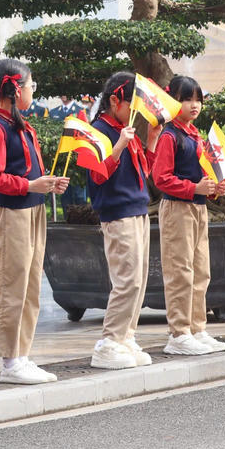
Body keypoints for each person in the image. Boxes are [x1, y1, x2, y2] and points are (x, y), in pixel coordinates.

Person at [0, 59, 68, 384]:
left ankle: (22, 354)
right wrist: (29, 185)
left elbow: (27, 171)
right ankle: (9, 361)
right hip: (11, 213)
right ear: (15, 89)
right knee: (10, 285)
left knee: (30, 286)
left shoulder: (19, 124)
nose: (34, 90)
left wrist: (47, 183)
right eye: (31, 85)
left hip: (32, 209)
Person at [152, 75, 225, 356]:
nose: (194, 105)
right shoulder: (169, 135)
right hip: (177, 209)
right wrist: (194, 188)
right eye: (187, 99)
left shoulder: (196, 134)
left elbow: (203, 177)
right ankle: (179, 332)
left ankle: (198, 328)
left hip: (198, 208)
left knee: (201, 271)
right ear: (174, 101)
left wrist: (214, 188)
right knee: (180, 271)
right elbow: (160, 178)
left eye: (197, 99)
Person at [87, 72, 159, 370]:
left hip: (138, 209)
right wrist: (118, 145)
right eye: (131, 104)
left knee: (139, 280)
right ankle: (108, 341)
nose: (136, 112)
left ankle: (126, 337)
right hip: (117, 213)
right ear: (115, 99)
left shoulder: (123, 128)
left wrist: (151, 142)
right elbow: (96, 174)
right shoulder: (97, 130)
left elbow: (144, 173)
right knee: (126, 280)